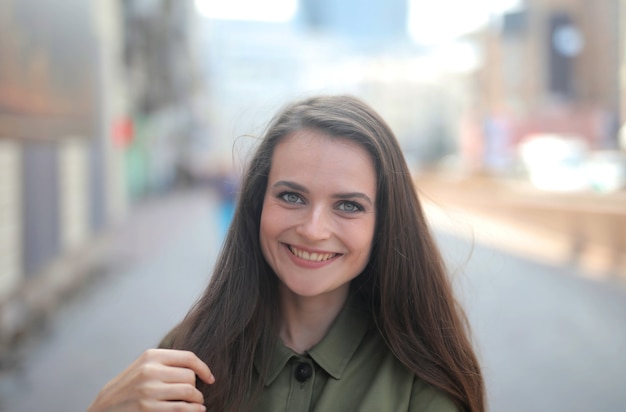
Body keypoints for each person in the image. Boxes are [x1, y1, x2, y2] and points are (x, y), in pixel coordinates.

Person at [88, 95, 485, 412]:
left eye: (348, 205)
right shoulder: (187, 352)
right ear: (258, 203)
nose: (313, 230)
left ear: (385, 224)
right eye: (292, 196)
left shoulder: (421, 380)